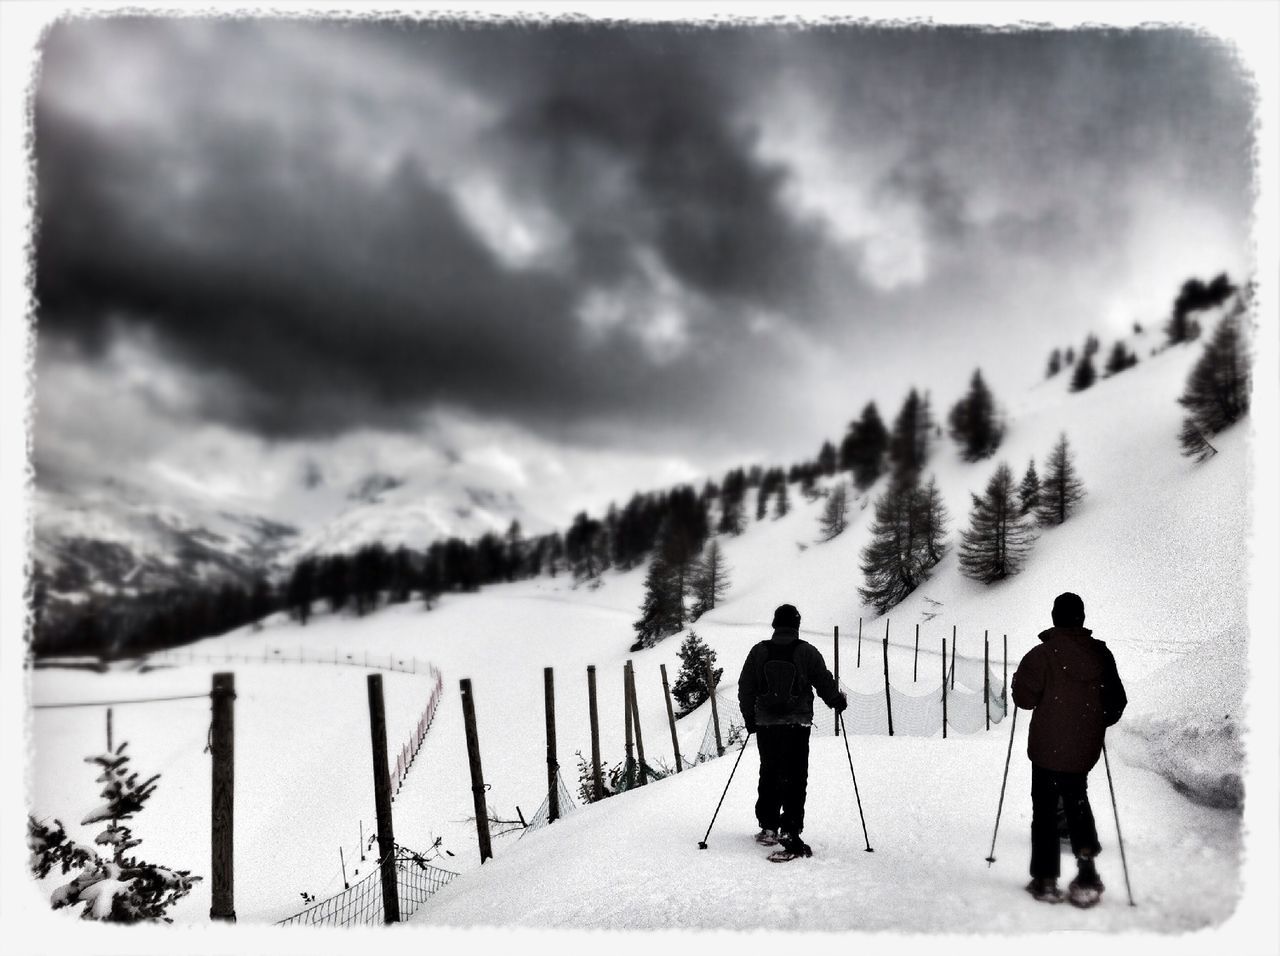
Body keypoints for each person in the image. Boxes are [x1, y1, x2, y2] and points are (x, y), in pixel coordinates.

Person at [1012, 592, 1127, 907]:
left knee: (1045, 811)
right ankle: (1087, 873)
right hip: (1082, 751)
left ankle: (1046, 880)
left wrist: (1017, 683)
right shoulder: (1100, 655)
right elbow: (1116, 702)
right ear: (1082, 618)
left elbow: (1024, 700)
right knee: (1077, 802)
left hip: (1046, 749)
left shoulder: (1041, 655)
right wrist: (1093, 723)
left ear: (1054, 618)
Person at [737, 603, 847, 860]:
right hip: (797, 725)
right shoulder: (806, 652)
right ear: (796, 625)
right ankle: (790, 831)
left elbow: (746, 687)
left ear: (775, 624)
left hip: (766, 724)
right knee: (795, 777)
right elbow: (823, 680)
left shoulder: (759, 651)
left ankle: (768, 827)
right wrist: (836, 702)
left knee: (769, 772)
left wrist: (749, 718)